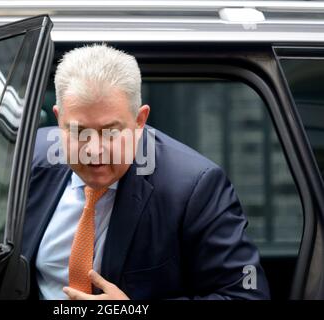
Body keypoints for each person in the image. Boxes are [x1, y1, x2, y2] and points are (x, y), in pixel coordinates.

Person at [22, 44, 270, 300]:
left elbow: (247, 295)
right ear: (58, 119)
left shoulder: (194, 187)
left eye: (111, 132)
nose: (94, 150)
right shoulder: (27, 159)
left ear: (140, 120)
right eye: (78, 131)